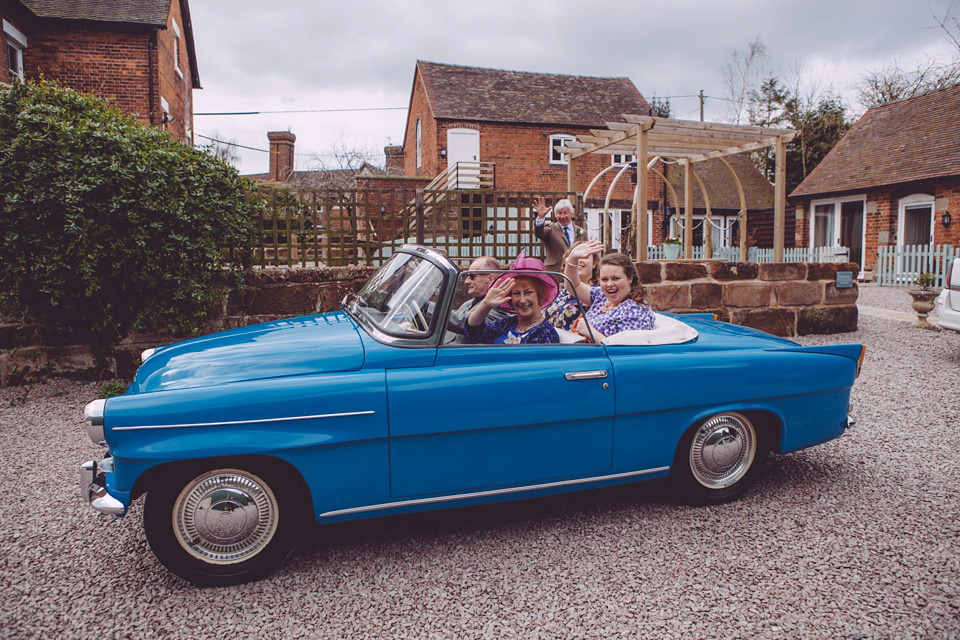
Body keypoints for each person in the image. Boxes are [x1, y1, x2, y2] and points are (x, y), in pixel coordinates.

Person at [565, 240, 656, 341]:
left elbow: (623, 351)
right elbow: (573, 286)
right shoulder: (602, 297)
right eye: (604, 279)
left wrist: (589, 330)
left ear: (630, 278)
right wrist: (572, 259)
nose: (609, 284)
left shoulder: (636, 312)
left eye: (616, 278)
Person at [465, 253, 559, 345]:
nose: (522, 300)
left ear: (540, 295)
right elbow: (474, 332)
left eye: (528, 293)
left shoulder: (545, 333)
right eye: (516, 293)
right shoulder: (508, 323)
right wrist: (486, 304)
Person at [446, 256, 507, 343]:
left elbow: (466, 323)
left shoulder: (497, 305)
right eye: (467, 276)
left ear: (490, 279)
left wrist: (428, 309)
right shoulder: (468, 304)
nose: (466, 281)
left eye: (472, 276)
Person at [545, 240, 599, 331]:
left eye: (584, 256)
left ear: (594, 263)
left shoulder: (597, 293)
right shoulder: (559, 290)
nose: (579, 260)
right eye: (575, 257)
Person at [532, 196, 586, 271]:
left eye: (565, 213)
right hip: (555, 273)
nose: (562, 216)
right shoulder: (551, 228)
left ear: (571, 214)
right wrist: (541, 218)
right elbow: (539, 233)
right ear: (555, 215)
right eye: (559, 213)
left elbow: (586, 250)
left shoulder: (581, 231)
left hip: (576, 271)